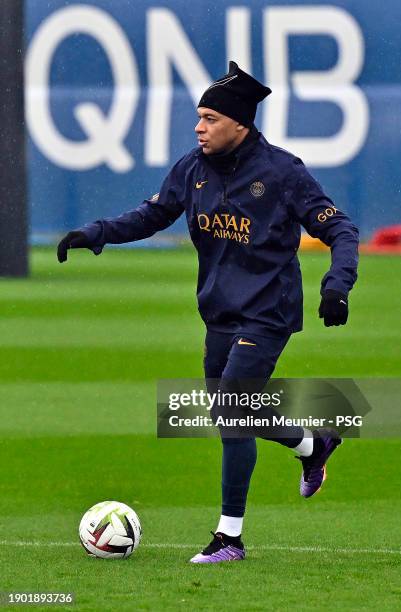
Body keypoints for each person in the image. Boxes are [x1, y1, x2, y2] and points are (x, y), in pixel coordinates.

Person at [57, 61, 359, 564]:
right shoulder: (191, 169)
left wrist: (337, 285)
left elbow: (341, 230)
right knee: (227, 409)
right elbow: (153, 214)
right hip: (219, 312)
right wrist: (97, 232)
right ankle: (312, 444)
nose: (199, 127)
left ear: (239, 123)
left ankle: (230, 539)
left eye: (210, 117)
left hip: (268, 313)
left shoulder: (283, 172)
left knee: (233, 410)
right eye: (198, 117)